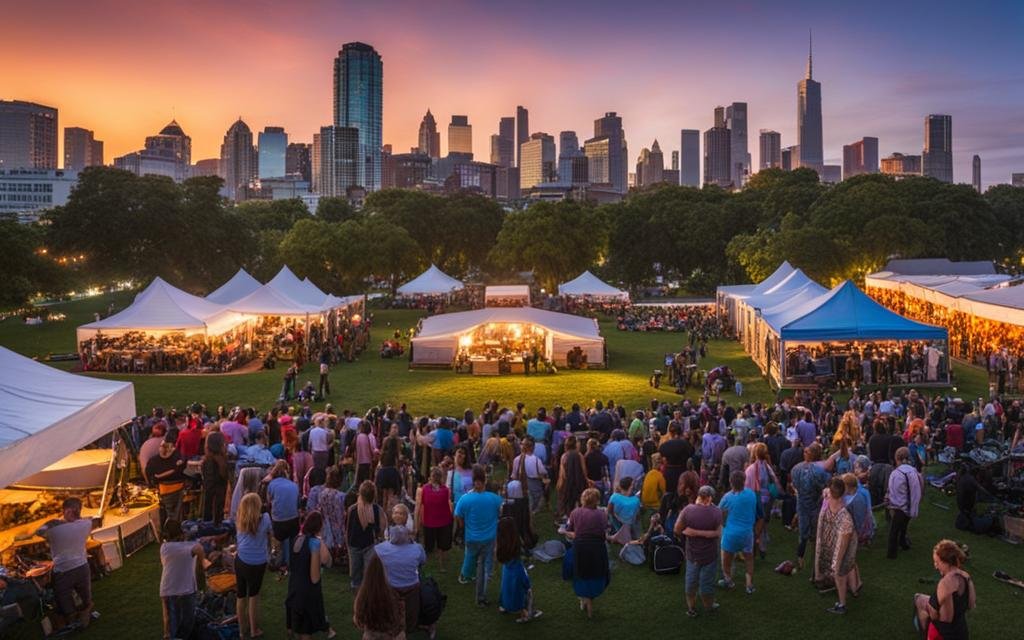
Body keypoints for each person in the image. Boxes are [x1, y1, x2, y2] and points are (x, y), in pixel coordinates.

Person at [34, 497, 96, 633]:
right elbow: (87, 518)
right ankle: (86, 613)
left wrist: (54, 521)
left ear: (66, 511)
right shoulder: (86, 524)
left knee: (64, 599)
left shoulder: (55, 530)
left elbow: (39, 531)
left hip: (63, 570)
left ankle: (73, 620)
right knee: (85, 595)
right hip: (82, 566)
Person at [454, 465, 503, 606]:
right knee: (485, 568)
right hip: (489, 539)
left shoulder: (465, 499)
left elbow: (458, 515)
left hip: (472, 538)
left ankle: (466, 576)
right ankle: (482, 596)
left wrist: (464, 525)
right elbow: (501, 512)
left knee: (471, 560)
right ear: (484, 480)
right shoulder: (495, 499)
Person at [284, 511, 335, 640]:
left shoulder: (296, 539)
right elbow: (315, 577)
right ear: (319, 527)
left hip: (293, 589)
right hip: (307, 594)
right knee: (305, 632)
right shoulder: (314, 543)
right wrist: (320, 540)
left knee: (298, 629)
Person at [675, 485, 723, 618]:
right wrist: (707, 533)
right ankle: (709, 606)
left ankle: (691, 609)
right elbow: (718, 533)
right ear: (710, 498)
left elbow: (677, 530)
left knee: (691, 583)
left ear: (699, 496)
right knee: (707, 583)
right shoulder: (716, 512)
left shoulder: (688, 510)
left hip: (692, 555)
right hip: (709, 555)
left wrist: (693, 532)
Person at [914, 539, 976, 640]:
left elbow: (935, 615)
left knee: (918, 600)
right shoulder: (966, 576)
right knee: (920, 598)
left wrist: (929, 606)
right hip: (961, 632)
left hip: (943, 634)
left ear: (945, 562)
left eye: (936, 562)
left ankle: (924, 635)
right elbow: (971, 604)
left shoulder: (945, 583)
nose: (935, 566)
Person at [564, 488, 610, 618]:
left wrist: (564, 532)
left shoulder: (575, 512)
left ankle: (584, 599)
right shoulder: (601, 514)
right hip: (597, 548)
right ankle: (589, 599)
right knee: (596, 572)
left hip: (580, 548)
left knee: (581, 572)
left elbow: (569, 529)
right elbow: (605, 531)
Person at [815, 477, 859, 615]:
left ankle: (842, 604)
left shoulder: (845, 519)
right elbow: (826, 491)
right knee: (845, 569)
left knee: (841, 573)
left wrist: (836, 566)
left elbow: (843, 547)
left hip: (844, 548)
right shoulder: (827, 500)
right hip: (835, 544)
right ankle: (855, 588)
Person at [375, 523, 428, 636]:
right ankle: (409, 627)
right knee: (411, 607)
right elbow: (423, 561)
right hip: (411, 586)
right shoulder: (417, 548)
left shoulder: (379, 549)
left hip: (390, 587)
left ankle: (392, 625)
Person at [159, 519, 204, 640]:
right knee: (186, 625)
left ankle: (167, 634)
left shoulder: (164, 548)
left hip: (167, 589)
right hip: (185, 590)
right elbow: (199, 550)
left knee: (171, 623)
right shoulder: (190, 547)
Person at [235, 493, 271, 640]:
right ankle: (254, 629)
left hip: (241, 559)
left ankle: (242, 632)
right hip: (257, 562)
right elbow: (271, 535)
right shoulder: (266, 519)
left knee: (241, 596)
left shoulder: (239, 519)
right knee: (254, 596)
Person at [790, 443, 831, 574]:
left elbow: (794, 485)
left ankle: (800, 559)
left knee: (803, 535)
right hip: (816, 505)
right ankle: (815, 563)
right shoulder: (821, 470)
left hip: (802, 504)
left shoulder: (796, 469)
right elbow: (827, 486)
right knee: (816, 535)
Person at [718, 471, 757, 594]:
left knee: (726, 560)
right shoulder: (751, 495)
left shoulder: (727, 497)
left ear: (731, 482)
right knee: (749, 559)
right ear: (744, 481)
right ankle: (749, 585)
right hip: (747, 533)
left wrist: (724, 524)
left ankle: (728, 580)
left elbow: (720, 514)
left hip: (731, 534)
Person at [497, 517, 542, 623]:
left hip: (507, 569)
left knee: (506, 588)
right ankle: (526, 613)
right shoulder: (515, 544)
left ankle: (504, 605)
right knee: (523, 593)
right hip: (517, 570)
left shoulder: (501, 543)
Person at [353, 554, 406, 640]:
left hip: (370, 636)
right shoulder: (394, 596)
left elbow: (357, 620)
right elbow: (400, 623)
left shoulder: (362, 596)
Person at [346, 481, 386, 590]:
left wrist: (348, 544)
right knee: (368, 574)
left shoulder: (352, 509)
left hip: (355, 545)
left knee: (356, 575)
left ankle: (358, 596)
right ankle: (365, 594)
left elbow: (347, 528)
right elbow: (382, 529)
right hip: (369, 544)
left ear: (360, 494)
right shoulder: (377, 509)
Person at [887, 446, 923, 560]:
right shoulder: (914, 471)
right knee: (903, 527)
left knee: (894, 530)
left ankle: (891, 553)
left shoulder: (896, 473)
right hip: (910, 505)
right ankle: (903, 543)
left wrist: (891, 502)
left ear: (897, 458)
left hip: (899, 506)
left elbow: (893, 490)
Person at [415, 466, 453, 573]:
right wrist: (418, 522)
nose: (435, 478)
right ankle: (428, 563)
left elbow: (448, 504)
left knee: (442, 546)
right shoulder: (424, 489)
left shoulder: (445, 490)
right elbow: (419, 506)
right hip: (430, 522)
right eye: (433, 475)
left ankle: (441, 564)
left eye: (437, 476)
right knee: (429, 546)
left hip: (443, 521)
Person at [266, 460, 301, 571]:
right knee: (290, 539)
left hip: (279, 523)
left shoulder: (271, 484)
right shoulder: (294, 486)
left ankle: (280, 561)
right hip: (293, 522)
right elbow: (297, 503)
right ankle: (289, 561)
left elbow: (269, 502)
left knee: (280, 538)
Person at [146, 439, 187, 533]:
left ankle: (170, 529)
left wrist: (158, 477)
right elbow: (181, 469)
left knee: (169, 510)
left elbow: (149, 475)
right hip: (180, 489)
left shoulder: (153, 461)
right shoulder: (178, 457)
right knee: (177, 510)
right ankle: (176, 528)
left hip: (164, 491)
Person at [511, 438, 548, 514]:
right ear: (533, 447)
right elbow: (543, 473)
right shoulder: (536, 460)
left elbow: (513, 476)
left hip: (520, 491)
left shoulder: (516, 460)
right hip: (534, 492)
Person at [556, 435, 589, 518]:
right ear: (575, 444)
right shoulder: (579, 455)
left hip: (567, 483)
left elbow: (562, 473)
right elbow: (584, 471)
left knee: (567, 503)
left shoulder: (564, 456)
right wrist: (586, 480)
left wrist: (560, 483)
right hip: (578, 482)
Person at [201, 430, 229, 524]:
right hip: (221, 502)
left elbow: (209, 485)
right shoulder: (223, 460)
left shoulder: (209, 461)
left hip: (211, 503)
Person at [607, 476, 642, 543]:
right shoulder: (636, 500)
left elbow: (609, 511)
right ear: (631, 486)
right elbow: (637, 516)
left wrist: (616, 516)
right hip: (630, 523)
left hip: (618, 522)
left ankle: (616, 534)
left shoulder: (614, 497)